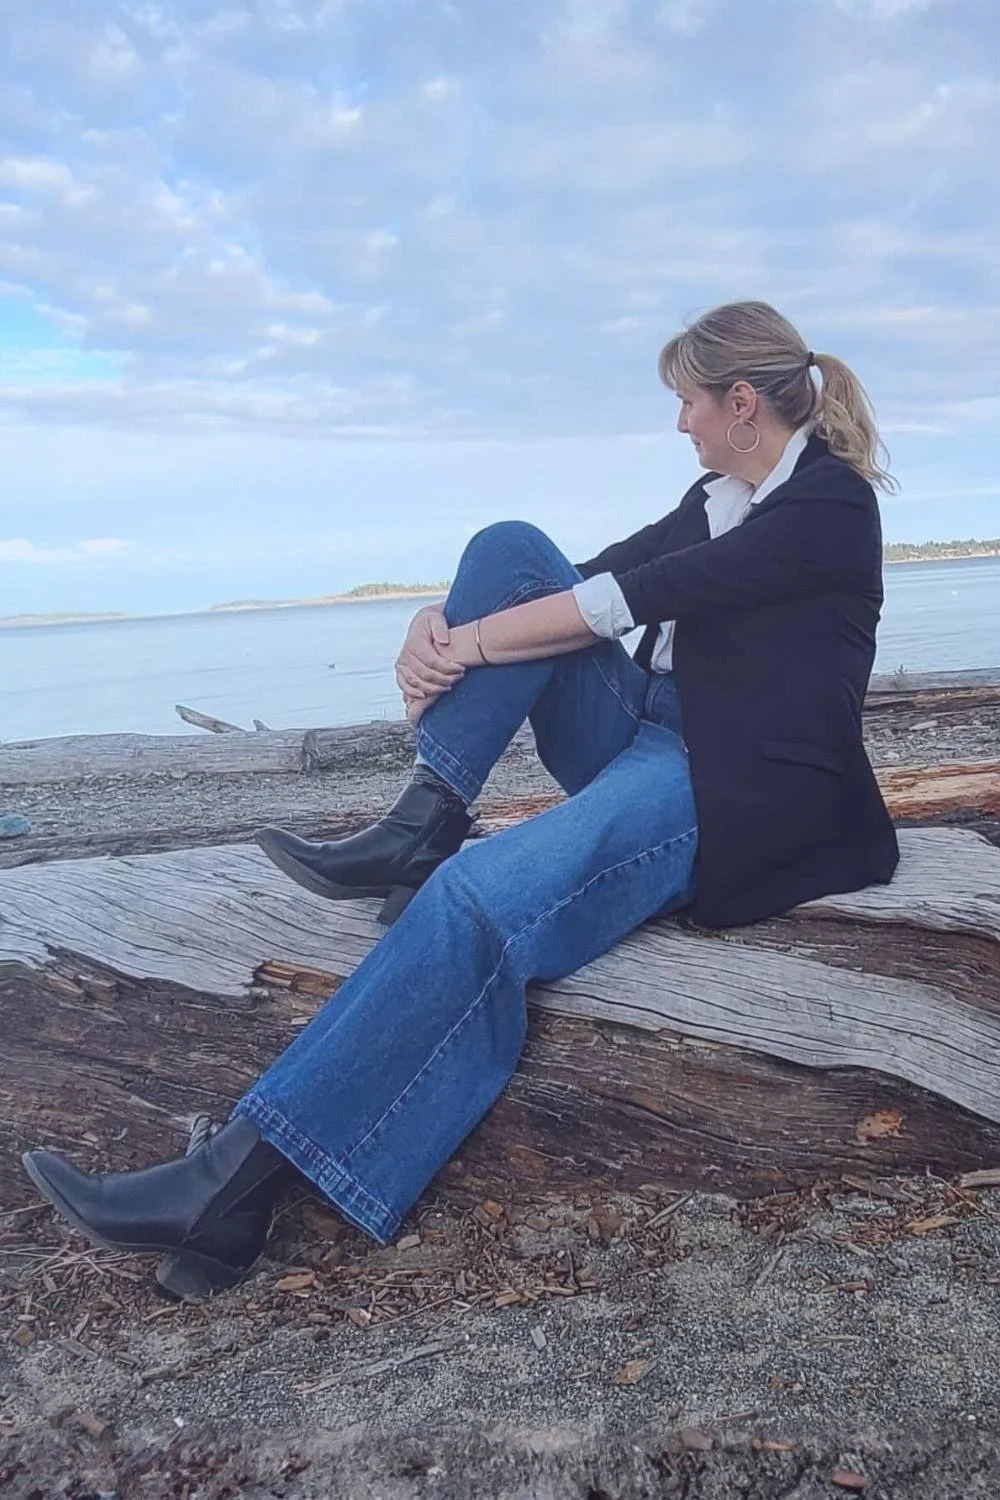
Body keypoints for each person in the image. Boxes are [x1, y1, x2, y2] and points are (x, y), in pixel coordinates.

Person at [22, 300, 900, 1301]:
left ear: (742, 403)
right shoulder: (716, 492)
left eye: (687, 402)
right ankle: (424, 816)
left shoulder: (829, 507)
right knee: (511, 547)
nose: (679, 424)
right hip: (642, 724)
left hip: (725, 780)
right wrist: (433, 621)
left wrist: (474, 646)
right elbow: (586, 573)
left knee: (478, 901)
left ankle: (229, 1193)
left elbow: (632, 600)